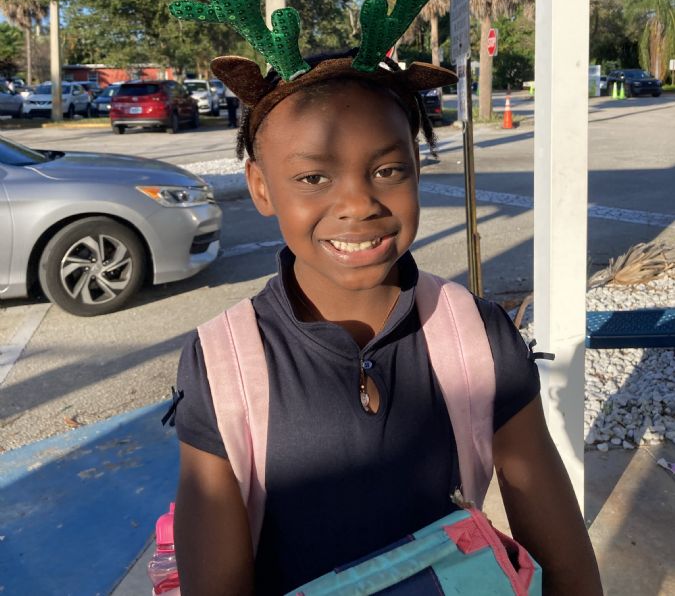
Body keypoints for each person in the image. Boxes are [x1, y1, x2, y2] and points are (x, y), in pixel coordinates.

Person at [170, 54, 603, 596]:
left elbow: (567, 567)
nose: (358, 204)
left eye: (387, 171)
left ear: (416, 167)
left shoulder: (479, 336)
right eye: (313, 177)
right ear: (261, 186)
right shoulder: (222, 363)